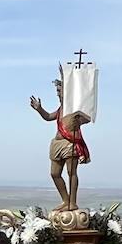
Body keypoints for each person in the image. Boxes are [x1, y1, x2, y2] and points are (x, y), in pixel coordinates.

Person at [29, 78, 92, 212]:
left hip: (69, 143)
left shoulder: (74, 108)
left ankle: (72, 202)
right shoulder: (60, 109)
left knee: (71, 172)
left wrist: (79, 119)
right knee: (54, 173)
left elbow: (88, 118)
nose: (58, 93)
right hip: (57, 144)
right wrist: (39, 109)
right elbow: (48, 117)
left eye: (60, 90)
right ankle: (66, 200)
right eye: (57, 90)